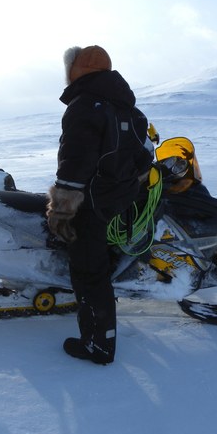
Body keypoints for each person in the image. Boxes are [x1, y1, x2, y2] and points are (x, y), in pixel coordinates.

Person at [46, 45, 153, 365]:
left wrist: (61, 210)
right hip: (118, 201)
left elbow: (74, 164)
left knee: (89, 274)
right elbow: (145, 157)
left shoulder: (83, 107)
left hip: (89, 205)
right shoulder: (132, 111)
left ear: (77, 71)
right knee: (100, 268)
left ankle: (99, 345)